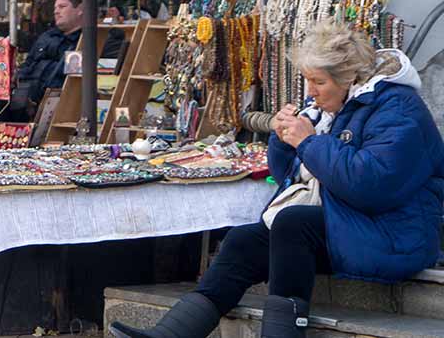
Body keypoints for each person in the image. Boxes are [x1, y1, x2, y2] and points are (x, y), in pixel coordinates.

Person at [111, 20, 444, 338]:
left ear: (348, 78)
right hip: (353, 223)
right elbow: (287, 175)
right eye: (307, 81)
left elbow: (371, 185)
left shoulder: (398, 109)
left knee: (292, 223)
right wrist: (283, 140)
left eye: (319, 82)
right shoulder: (333, 106)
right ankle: (172, 333)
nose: (311, 93)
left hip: (397, 232)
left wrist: (309, 142)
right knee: (245, 240)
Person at [8, 0, 84, 121]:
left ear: (80, 9)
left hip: (59, 108)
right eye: (55, 8)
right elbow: (27, 65)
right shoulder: (46, 37)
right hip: (23, 104)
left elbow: (69, 78)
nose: (56, 11)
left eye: (62, 7)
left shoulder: (85, 41)